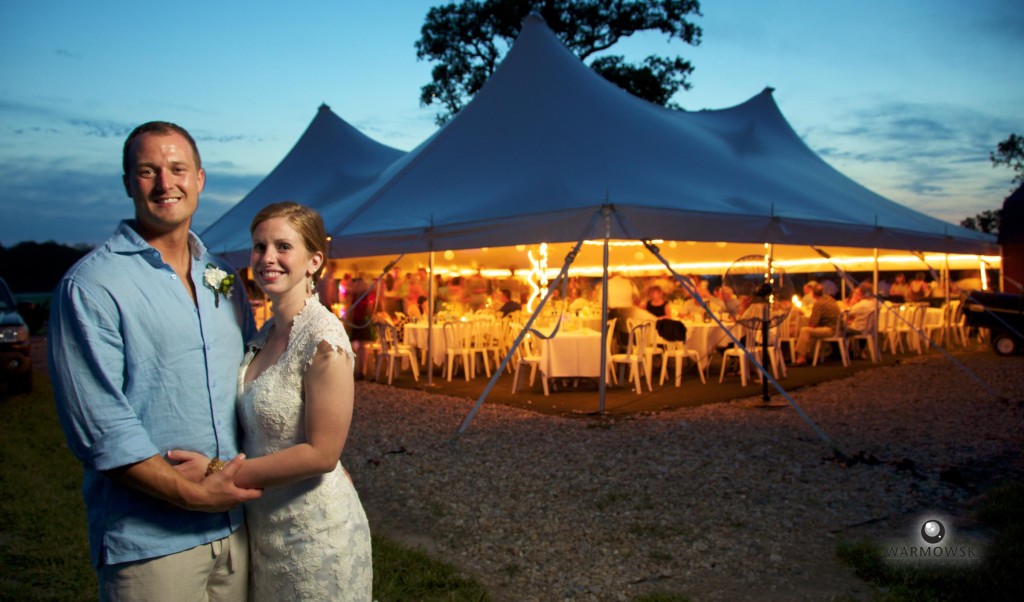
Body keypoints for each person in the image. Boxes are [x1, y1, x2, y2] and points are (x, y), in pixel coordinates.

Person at [48, 121, 262, 601]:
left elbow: (254, 379)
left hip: (237, 531)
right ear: (128, 184)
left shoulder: (222, 277)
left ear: (200, 179)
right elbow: (100, 430)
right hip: (151, 544)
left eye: (178, 169)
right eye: (148, 171)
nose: (166, 184)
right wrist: (194, 494)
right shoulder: (92, 286)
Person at [171, 202, 372, 600]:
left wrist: (218, 472)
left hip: (315, 531)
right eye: (259, 247)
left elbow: (322, 454)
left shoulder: (323, 339)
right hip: (264, 529)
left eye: (283, 247)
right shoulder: (263, 334)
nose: (267, 258)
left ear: (314, 260)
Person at [792, 284, 842, 366]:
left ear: (813, 294)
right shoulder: (831, 300)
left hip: (831, 330)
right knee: (810, 331)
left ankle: (801, 358)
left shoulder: (819, 304)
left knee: (805, 330)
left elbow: (813, 324)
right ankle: (811, 354)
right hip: (838, 329)